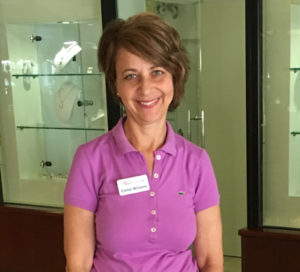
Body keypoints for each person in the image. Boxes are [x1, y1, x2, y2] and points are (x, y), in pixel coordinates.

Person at [64, 12, 223, 272]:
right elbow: (78, 263)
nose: (146, 88)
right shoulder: (90, 159)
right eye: (130, 75)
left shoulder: (196, 161)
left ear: (175, 76)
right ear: (116, 85)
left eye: (157, 72)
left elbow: (210, 262)